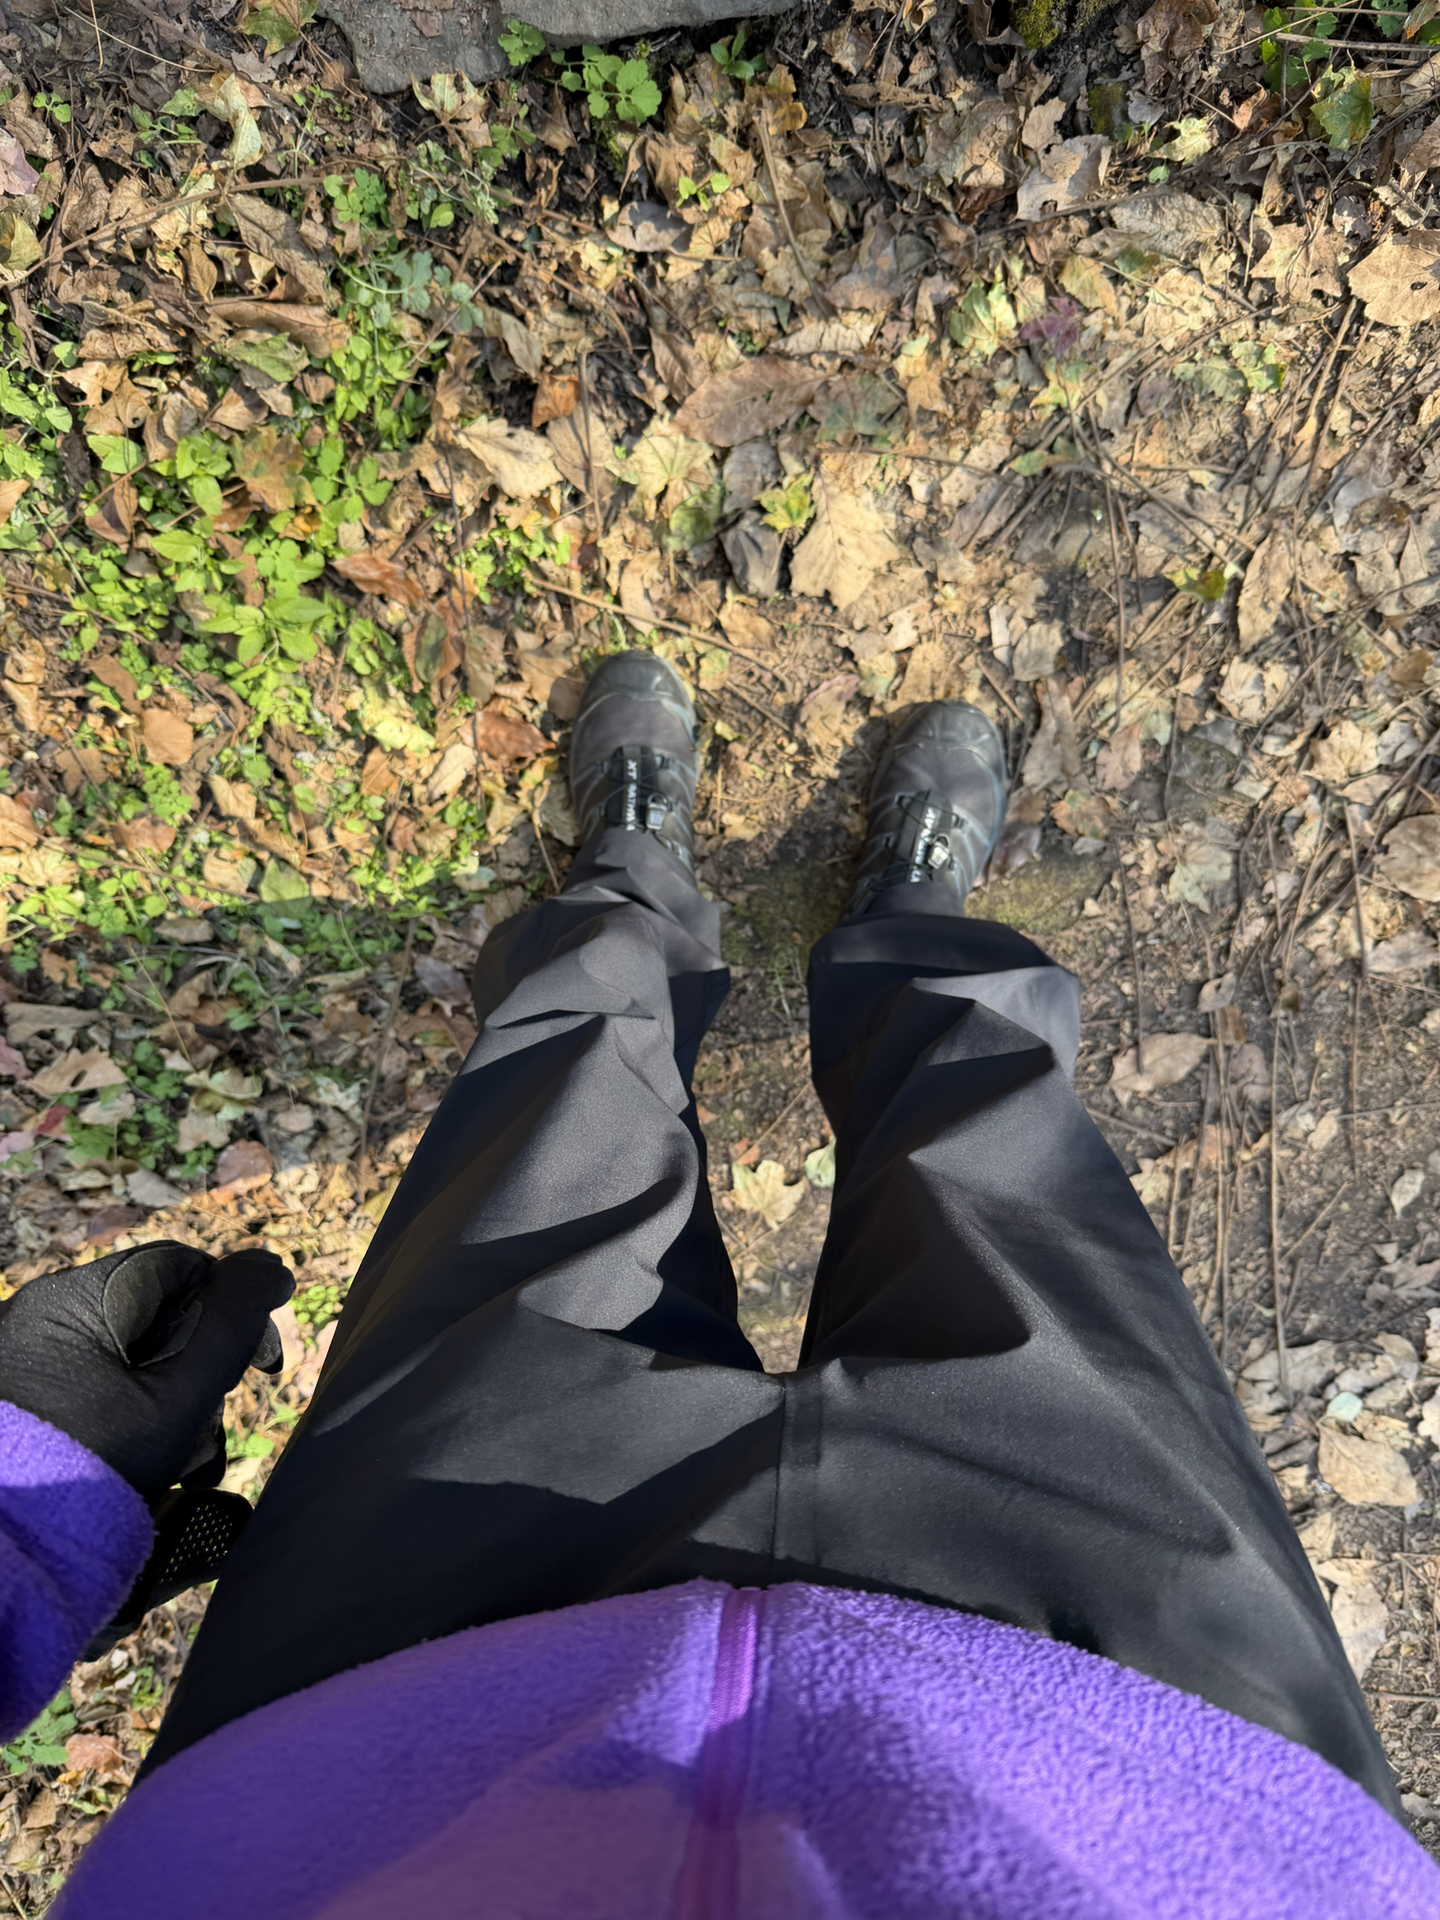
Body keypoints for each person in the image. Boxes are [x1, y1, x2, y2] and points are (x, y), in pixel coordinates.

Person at [0, 651, 1433, 1919]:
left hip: (359, 1723)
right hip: (1175, 1740)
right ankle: (913, 922)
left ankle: (631, 887)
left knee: (564, 1095)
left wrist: (22, 1510)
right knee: (989, 1127)